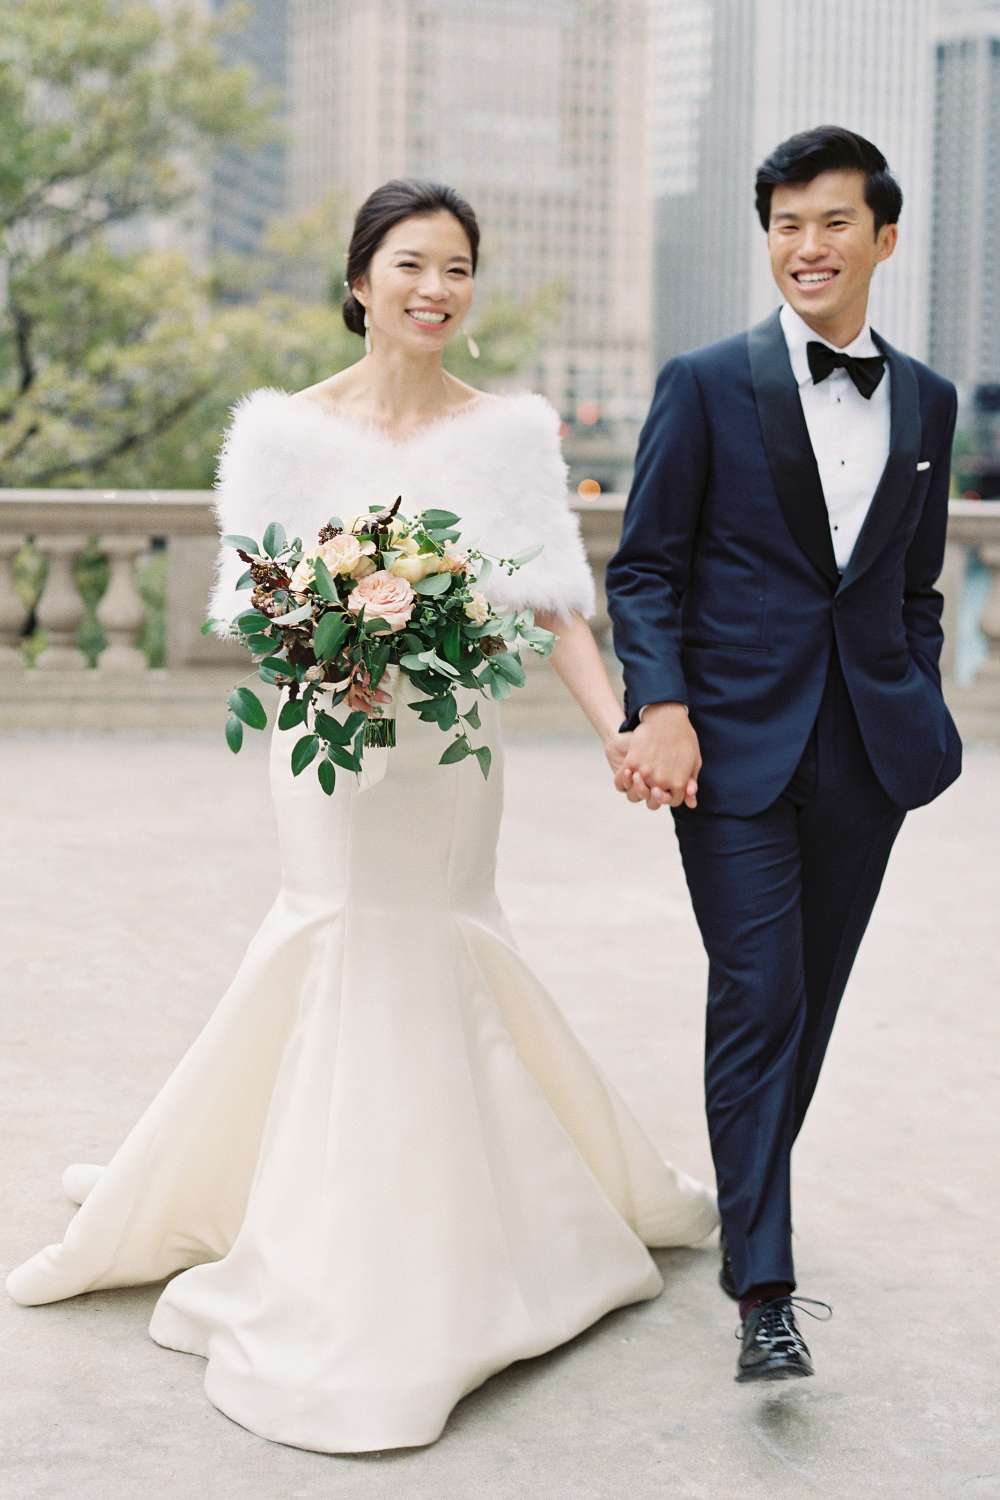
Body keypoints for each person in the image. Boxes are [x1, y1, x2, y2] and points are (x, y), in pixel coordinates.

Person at [6, 178, 717, 1453]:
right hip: (330, 756)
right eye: (410, 263)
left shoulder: (507, 435)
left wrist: (616, 724)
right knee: (331, 938)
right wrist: (335, 658)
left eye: (456, 268)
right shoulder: (282, 434)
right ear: (359, 281)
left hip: (450, 754)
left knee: (438, 943)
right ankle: (302, 1228)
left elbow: (556, 605)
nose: (434, 289)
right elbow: (255, 610)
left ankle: (456, 1239)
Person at [606, 125, 961, 1384]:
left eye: (830, 224)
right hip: (730, 757)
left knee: (806, 1009)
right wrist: (660, 706)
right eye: (784, 225)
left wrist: (917, 691)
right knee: (757, 997)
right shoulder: (705, 382)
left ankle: (747, 1199)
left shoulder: (927, 398)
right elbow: (645, 564)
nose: (805, 248)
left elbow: (913, 585)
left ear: (882, 237)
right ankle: (766, 1291)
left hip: (869, 756)